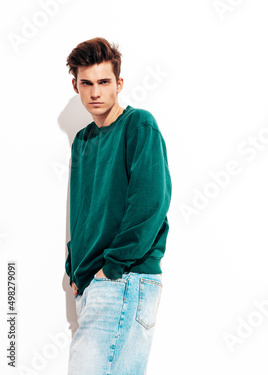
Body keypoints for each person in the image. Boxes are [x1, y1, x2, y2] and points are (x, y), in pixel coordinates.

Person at [64, 37, 172, 374]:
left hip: (124, 277)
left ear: (119, 84)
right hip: (94, 284)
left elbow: (151, 203)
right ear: (76, 86)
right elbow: (82, 211)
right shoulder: (83, 140)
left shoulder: (138, 125)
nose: (96, 92)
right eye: (87, 83)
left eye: (104, 82)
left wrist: (110, 268)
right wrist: (74, 266)